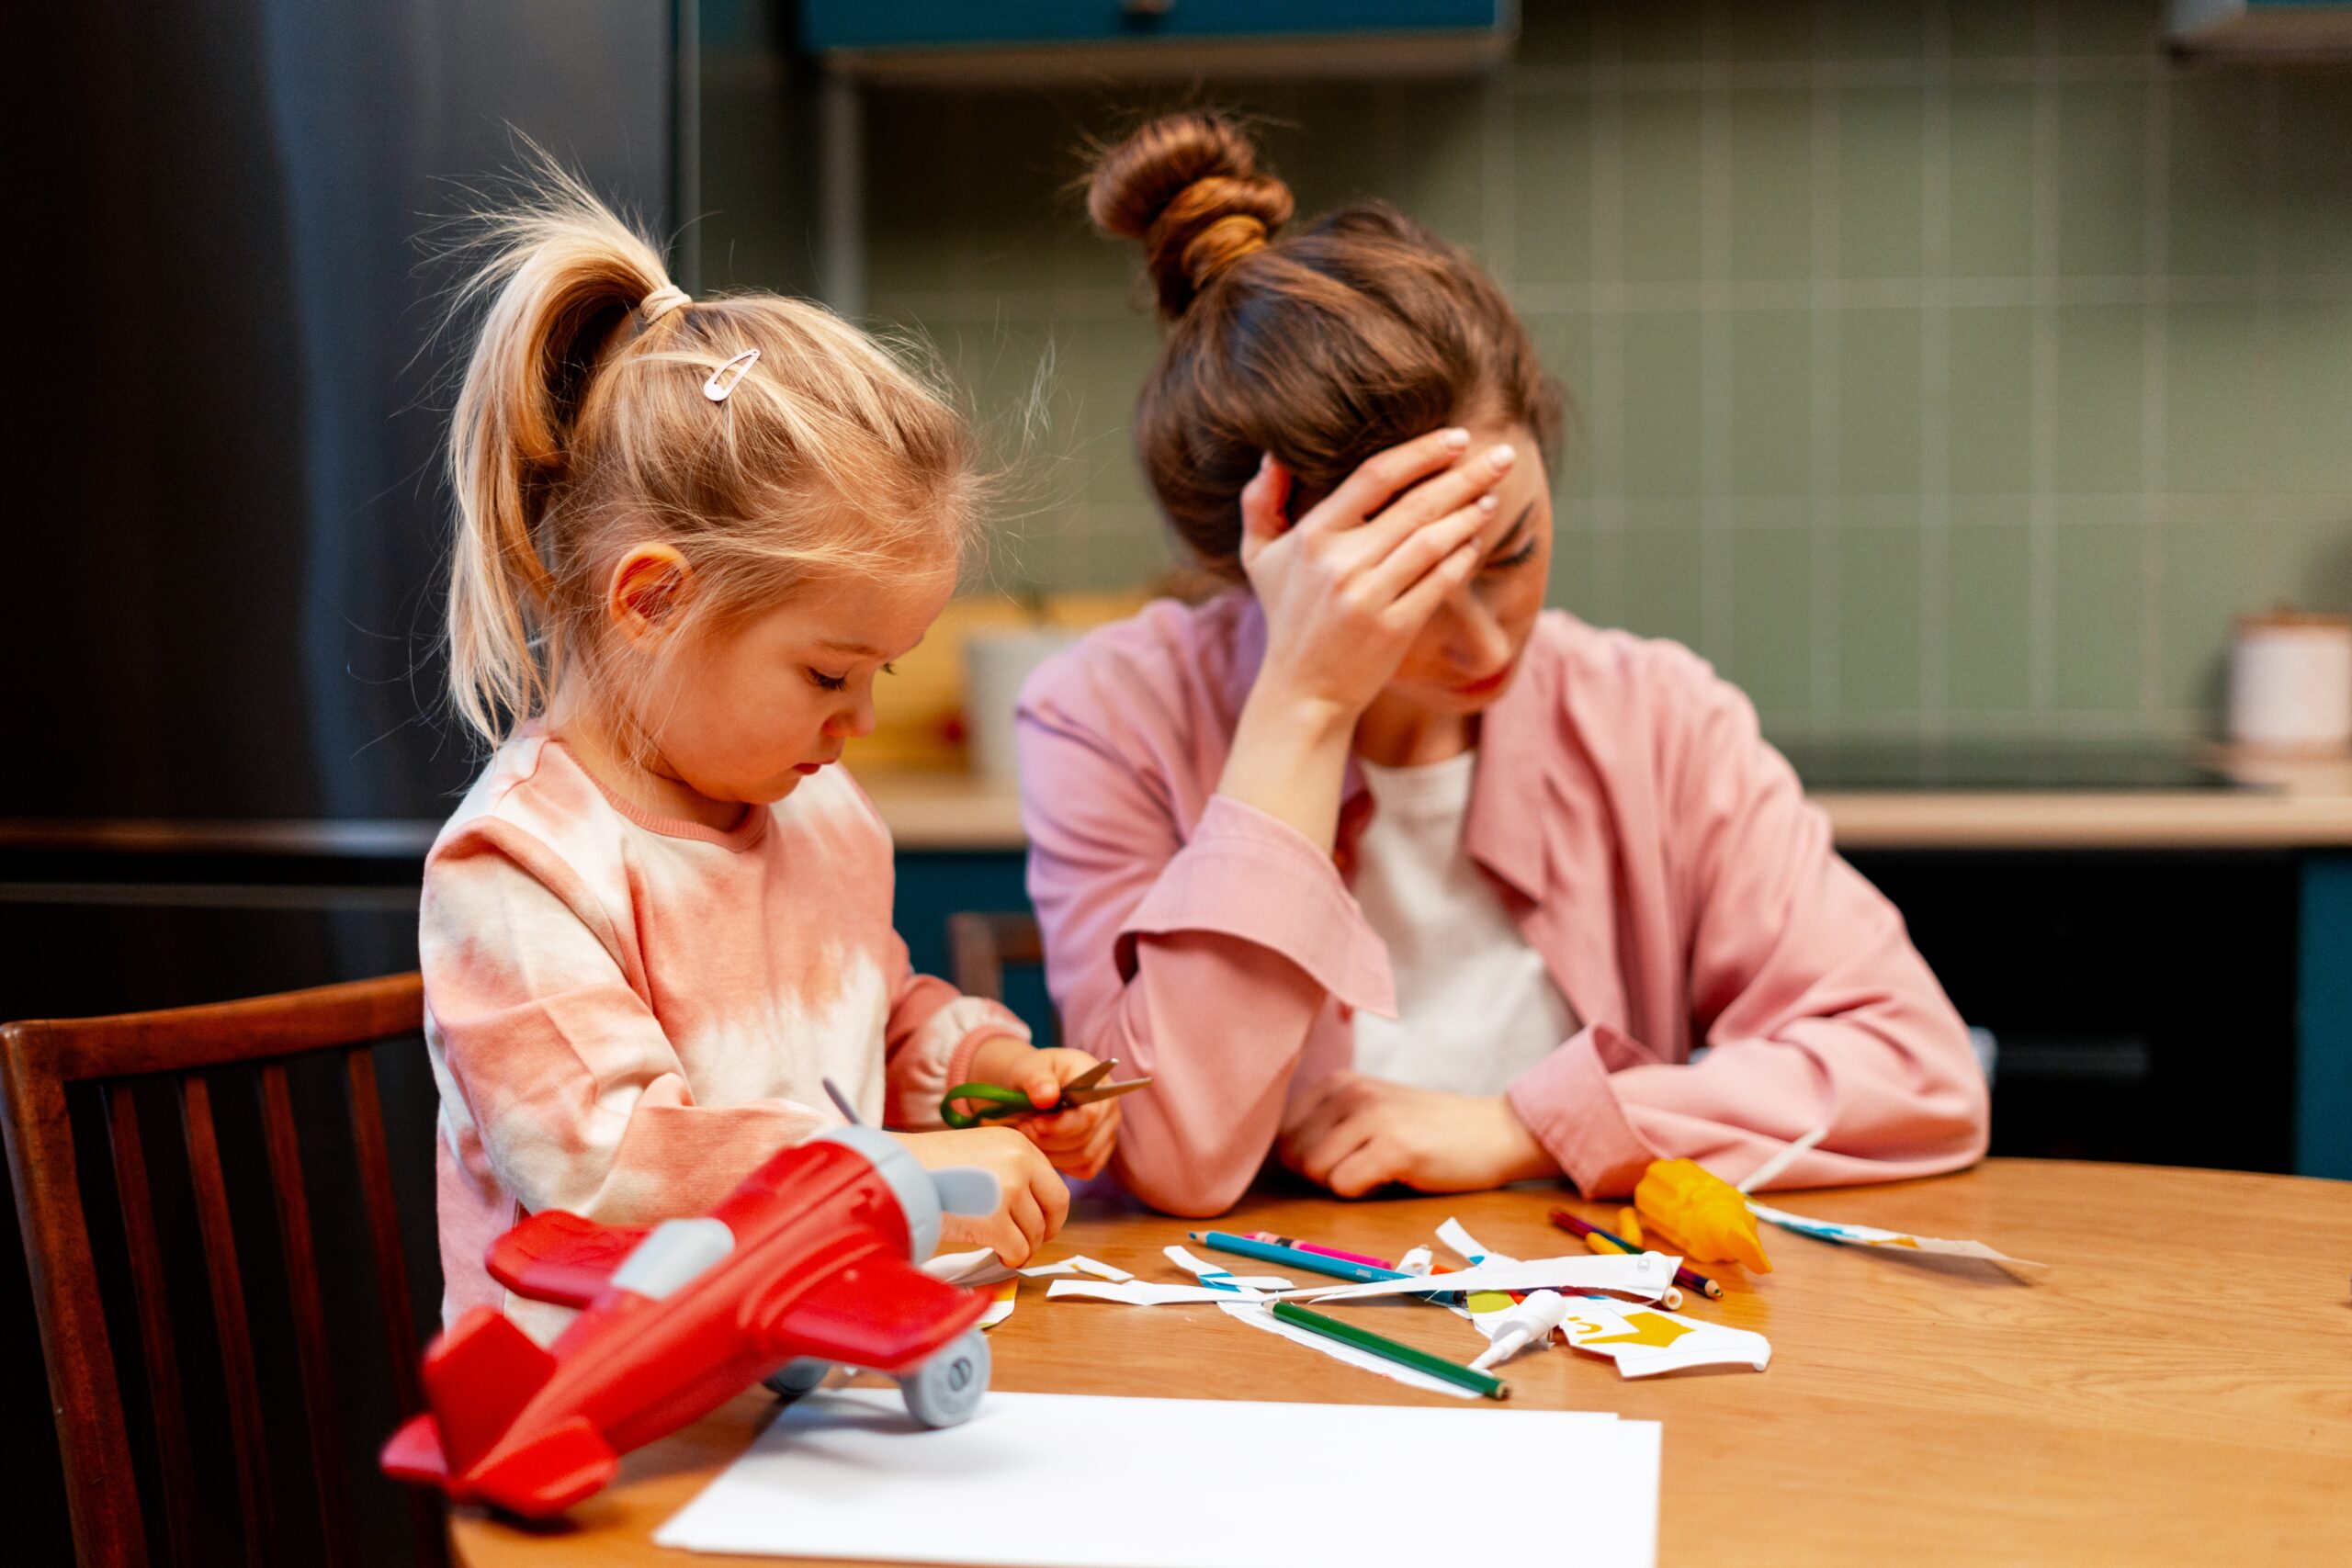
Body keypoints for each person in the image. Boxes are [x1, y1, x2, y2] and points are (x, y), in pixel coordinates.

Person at [1016, 112, 1987, 1217]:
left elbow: (1918, 1070)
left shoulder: (1654, 718)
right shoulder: (1106, 717)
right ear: (1258, 563)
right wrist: (1304, 699)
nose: (1483, 643)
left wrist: (1523, 1126)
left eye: (1513, 551)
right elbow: (1172, 1157)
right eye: (1403, 595)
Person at [419, 167, 1114, 1337]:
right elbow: (613, 1168)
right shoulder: (518, 870)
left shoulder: (822, 811)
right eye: (828, 673)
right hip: (603, 1419)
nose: (860, 723)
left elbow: (876, 1025)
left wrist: (987, 1075)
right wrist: (899, 1175)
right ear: (652, 601)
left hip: (803, 1359)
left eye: (879, 675)